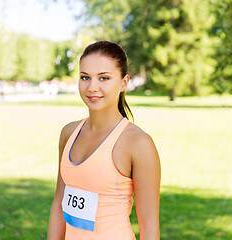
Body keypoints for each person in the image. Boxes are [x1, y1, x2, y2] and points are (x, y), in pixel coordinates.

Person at [47, 41, 161, 240]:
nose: (92, 87)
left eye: (104, 78)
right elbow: (59, 203)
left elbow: (149, 226)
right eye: (85, 77)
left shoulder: (138, 143)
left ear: (124, 83)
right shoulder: (68, 133)